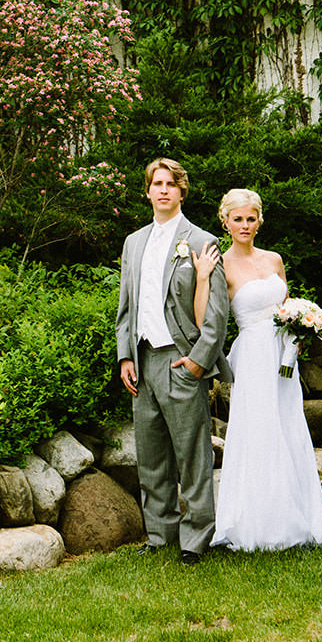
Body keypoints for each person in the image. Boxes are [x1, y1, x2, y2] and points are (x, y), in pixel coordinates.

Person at [194, 187, 322, 553]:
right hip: (254, 356)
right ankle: (259, 524)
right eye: (237, 218)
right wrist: (201, 277)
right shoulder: (222, 266)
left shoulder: (274, 259)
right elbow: (203, 320)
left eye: (251, 218)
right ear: (225, 221)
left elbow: (285, 305)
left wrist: (302, 329)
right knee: (260, 431)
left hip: (283, 356)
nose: (245, 225)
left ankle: (300, 518)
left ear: (260, 220)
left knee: (288, 426)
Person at [116, 158, 230, 564]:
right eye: (156, 183)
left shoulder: (201, 241)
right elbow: (126, 306)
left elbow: (217, 313)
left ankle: (195, 538)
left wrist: (199, 362)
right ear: (147, 191)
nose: (163, 190)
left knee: (192, 455)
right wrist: (126, 355)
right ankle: (159, 535)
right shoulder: (133, 242)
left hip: (181, 362)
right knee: (151, 457)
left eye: (171, 184)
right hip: (143, 363)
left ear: (182, 191)